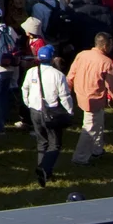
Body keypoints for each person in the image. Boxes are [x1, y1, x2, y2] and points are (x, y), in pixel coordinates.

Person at [20, 43, 74, 186]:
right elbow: (65, 96)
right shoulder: (58, 75)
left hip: (34, 111)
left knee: (41, 141)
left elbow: (24, 88)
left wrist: (28, 103)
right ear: (52, 58)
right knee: (55, 143)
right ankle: (45, 169)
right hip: (51, 113)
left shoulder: (31, 72)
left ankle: (42, 169)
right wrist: (69, 111)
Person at [68, 32, 113, 166]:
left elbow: (71, 74)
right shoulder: (106, 62)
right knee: (90, 128)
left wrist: (67, 92)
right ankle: (80, 158)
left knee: (98, 123)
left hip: (81, 95)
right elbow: (112, 85)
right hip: (94, 98)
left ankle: (97, 149)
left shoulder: (82, 55)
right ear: (106, 46)